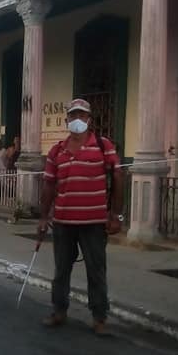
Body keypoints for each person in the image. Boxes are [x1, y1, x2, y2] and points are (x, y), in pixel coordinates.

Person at [38, 98, 123, 336]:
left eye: (82, 116)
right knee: (61, 270)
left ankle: (99, 317)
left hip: (94, 223)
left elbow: (118, 178)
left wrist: (116, 215)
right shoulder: (57, 151)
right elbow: (48, 185)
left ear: (89, 120)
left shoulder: (104, 146)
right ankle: (59, 310)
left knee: (96, 271)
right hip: (64, 222)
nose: (78, 120)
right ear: (67, 120)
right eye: (73, 116)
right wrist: (43, 217)